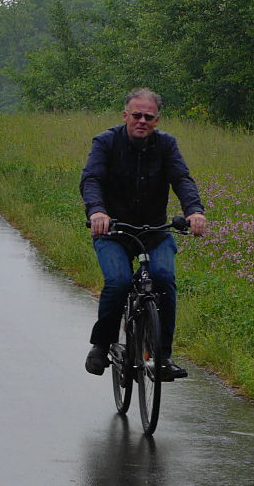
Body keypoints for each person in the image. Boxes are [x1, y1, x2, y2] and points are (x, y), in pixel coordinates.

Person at [80, 87, 207, 380]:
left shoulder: (166, 145)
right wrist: (97, 212)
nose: (142, 121)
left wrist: (194, 211)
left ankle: (162, 357)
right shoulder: (106, 143)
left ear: (157, 120)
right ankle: (101, 345)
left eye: (148, 117)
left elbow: (181, 179)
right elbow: (92, 179)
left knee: (164, 280)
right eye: (136, 115)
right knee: (118, 281)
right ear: (125, 115)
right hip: (113, 231)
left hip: (154, 231)